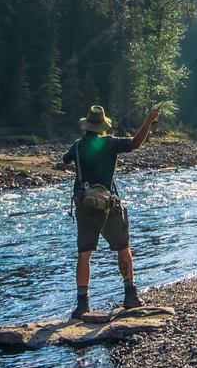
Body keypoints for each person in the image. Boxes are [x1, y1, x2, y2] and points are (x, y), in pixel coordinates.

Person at [60, 103, 159, 317]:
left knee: (84, 254)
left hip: (84, 205)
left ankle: (82, 304)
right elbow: (135, 143)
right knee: (123, 246)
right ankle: (130, 295)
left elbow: (64, 160)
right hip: (108, 204)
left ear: (87, 125)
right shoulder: (111, 143)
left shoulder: (77, 145)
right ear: (103, 125)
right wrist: (148, 122)